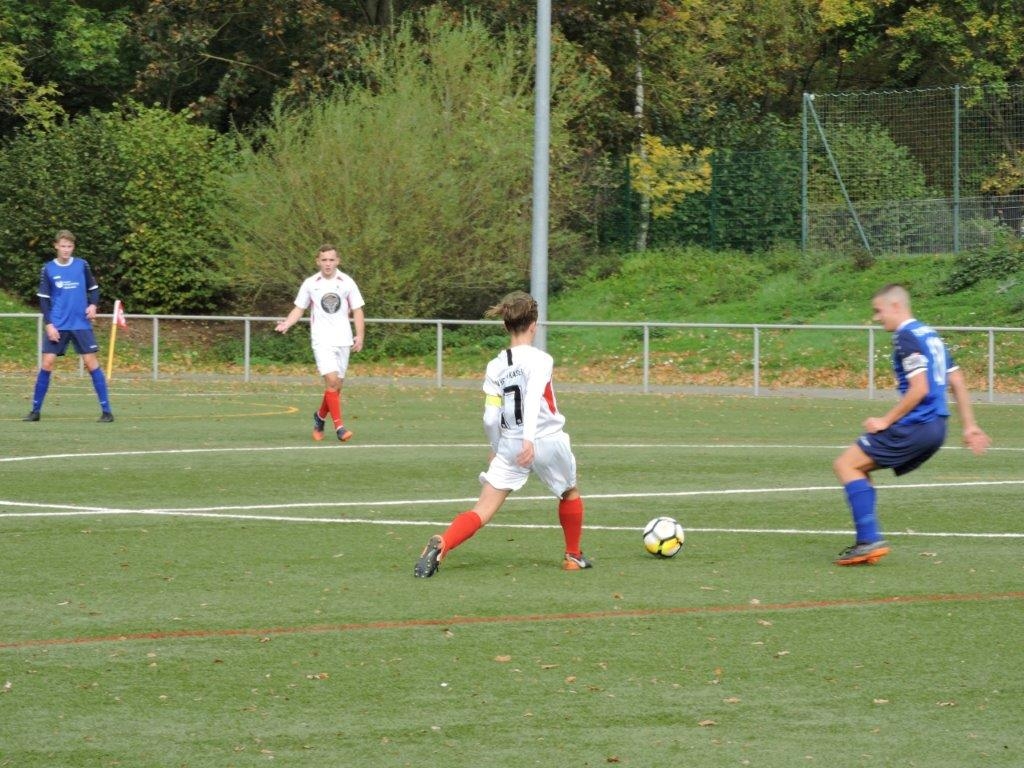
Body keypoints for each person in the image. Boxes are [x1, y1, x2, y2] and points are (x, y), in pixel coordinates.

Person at [414, 290, 592, 578]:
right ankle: (573, 555)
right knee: (569, 492)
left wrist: (497, 447)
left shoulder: (496, 366)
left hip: (509, 444)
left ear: (505, 325)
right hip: (545, 439)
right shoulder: (541, 359)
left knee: (482, 509)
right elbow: (532, 398)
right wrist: (529, 440)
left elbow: (489, 417)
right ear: (534, 325)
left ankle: (443, 544)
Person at [831, 284, 990, 566]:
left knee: (846, 465)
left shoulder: (905, 336)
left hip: (918, 424)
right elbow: (957, 379)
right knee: (857, 466)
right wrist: (970, 425)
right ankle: (867, 540)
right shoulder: (929, 334)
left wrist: (885, 420)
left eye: (878, 311)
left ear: (896, 306)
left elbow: (920, 388)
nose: (877, 317)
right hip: (937, 427)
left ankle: (868, 540)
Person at [276, 243, 365, 442]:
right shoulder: (310, 283)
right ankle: (340, 428)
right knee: (331, 381)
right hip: (322, 340)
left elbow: (357, 309)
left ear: (338, 261)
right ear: (318, 261)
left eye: (331, 260)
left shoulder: (347, 282)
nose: (328, 263)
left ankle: (320, 417)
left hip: (343, 339)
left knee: (336, 387)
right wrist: (287, 323)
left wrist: (359, 335)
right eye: (324, 260)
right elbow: (299, 308)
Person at [23, 229, 114, 423]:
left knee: (91, 363)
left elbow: (94, 289)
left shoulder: (82, 265)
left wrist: (93, 305)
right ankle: (35, 411)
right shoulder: (48, 268)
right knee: (47, 363)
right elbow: (44, 300)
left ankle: (107, 411)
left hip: (80, 323)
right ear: (56, 246)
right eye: (63, 246)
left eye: (69, 246)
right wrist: (49, 324)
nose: (66, 250)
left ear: (73, 247)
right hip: (58, 324)